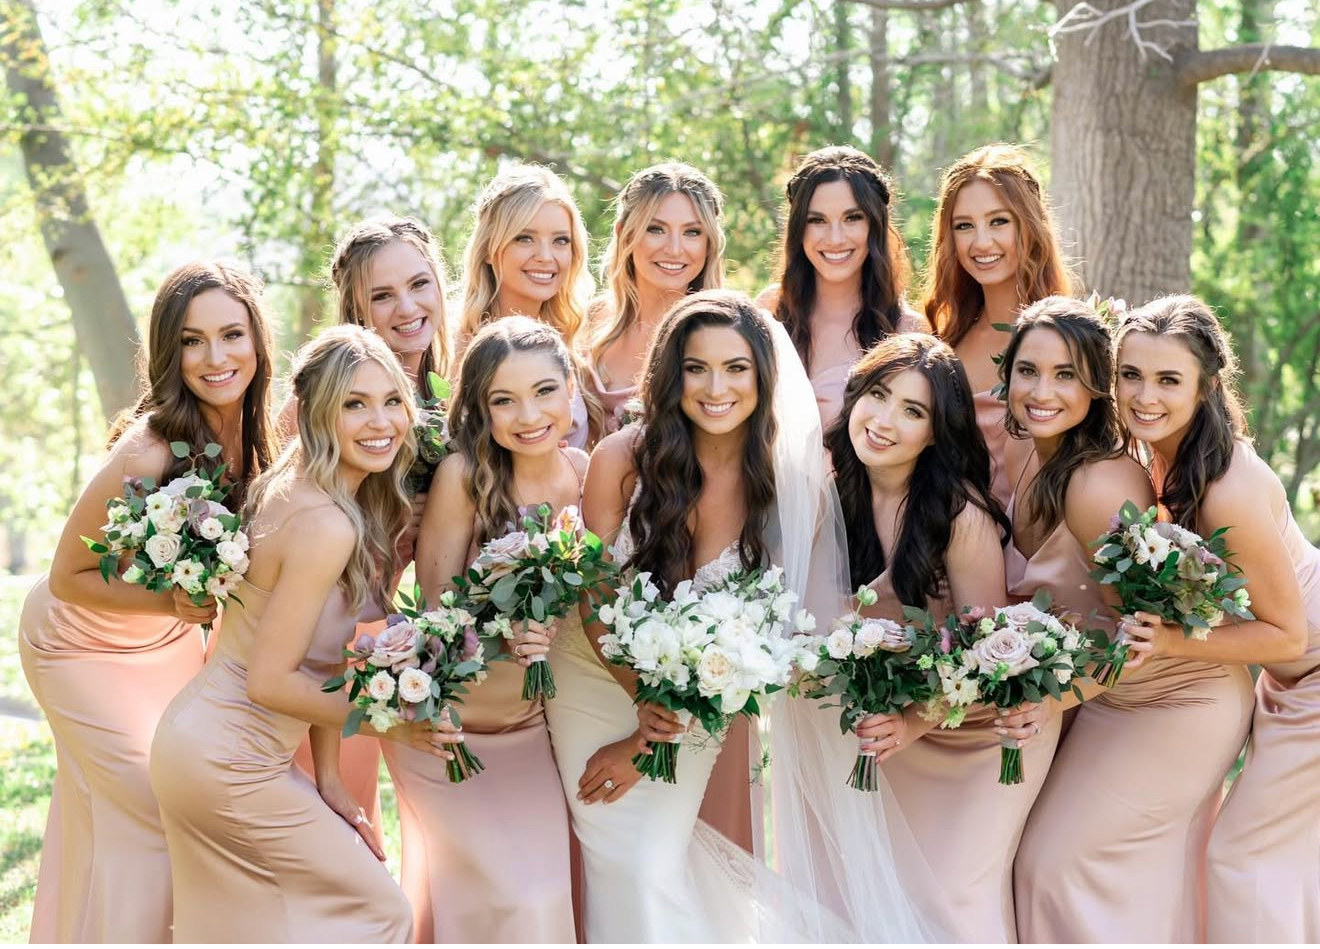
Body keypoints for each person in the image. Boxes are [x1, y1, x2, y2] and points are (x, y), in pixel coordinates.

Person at [150, 326, 461, 942]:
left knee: (258, 928)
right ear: (319, 414)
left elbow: (318, 660)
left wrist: (329, 781)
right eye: (355, 404)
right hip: (227, 758)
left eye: (392, 400)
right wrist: (392, 721)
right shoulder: (324, 524)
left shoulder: (312, 493)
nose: (381, 422)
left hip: (208, 746)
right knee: (379, 912)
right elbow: (271, 681)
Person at [18, 261, 278, 942]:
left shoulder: (263, 440)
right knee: (148, 814)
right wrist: (169, 606)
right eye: (193, 340)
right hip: (74, 643)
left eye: (231, 334)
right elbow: (68, 572)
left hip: (166, 648)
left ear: (257, 340)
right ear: (170, 352)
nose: (216, 357)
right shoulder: (149, 449)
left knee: (118, 816)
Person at [1005, 297, 1253, 942]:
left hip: (1178, 698)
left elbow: (1142, 636)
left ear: (1094, 386)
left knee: (1053, 866)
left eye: (1066, 376)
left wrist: (1057, 697)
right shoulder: (1030, 458)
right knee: (1081, 870)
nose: (1041, 391)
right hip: (1112, 698)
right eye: (1028, 371)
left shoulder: (1097, 487)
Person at [1112, 295, 1315, 942]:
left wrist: (1171, 641)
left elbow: (1289, 633)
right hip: (1287, 680)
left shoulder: (1227, 485)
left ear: (1204, 387)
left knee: (1242, 857)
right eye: (1130, 374)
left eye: (1168, 379)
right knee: (1273, 857)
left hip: (1314, 674)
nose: (1145, 395)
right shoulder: (1157, 457)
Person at [820, 333, 1035, 942]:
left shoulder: (958, 514)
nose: (885, 421)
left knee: (950, 899)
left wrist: (915, 720)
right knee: (884, 900)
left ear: (937, 433)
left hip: (979, 731)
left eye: (912, 412)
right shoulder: (832, 495)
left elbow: (991, 654)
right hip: (894, 738)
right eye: (878, 396)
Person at [388, 316, 584, 942]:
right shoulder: (464, 477)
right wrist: (507, 628)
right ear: (481, 408)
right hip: (450, 729)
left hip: (529, 733)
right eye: (505, 399)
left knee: (547, 898)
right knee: (511, 899)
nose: (529, 414)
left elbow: (598, 598)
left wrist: (552, 626)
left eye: (544, 391)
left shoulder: (582, 473)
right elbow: (438, 604)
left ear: (572, 387)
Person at [285, 214, 457, 836]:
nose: (406, 308)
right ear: (355, 309)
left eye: (419, 284)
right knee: (313, 819)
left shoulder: (447, 398)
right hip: (304, 639)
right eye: (382, 296)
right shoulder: (316, 405)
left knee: (353, 823)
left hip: (366, 634)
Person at [922, 144, 1074, 506]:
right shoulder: (944, 342)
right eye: (964, 226)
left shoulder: (1072, 337)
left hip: (1044, 547)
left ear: (1030, 224)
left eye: (998, 221)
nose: (981, 242)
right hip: (957, 542)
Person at [760, 145, 926, 427]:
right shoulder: (769, 310)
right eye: (817, 220)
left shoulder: (907, 330)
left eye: (852, 218)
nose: (835, 238)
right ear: (799, 229)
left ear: (875, 225)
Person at [458, 164, 597, 446]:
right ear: (488, 249)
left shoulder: (575, 340)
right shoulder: (454, 343)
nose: (546, 256)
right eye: (525, 238)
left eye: (560, 240)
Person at [587, 162, 726, 432]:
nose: (674, 249)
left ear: (709, 242)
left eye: (692, 232)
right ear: (623, 233)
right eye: (656, 229)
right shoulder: (589, 319)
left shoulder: (723, 332)